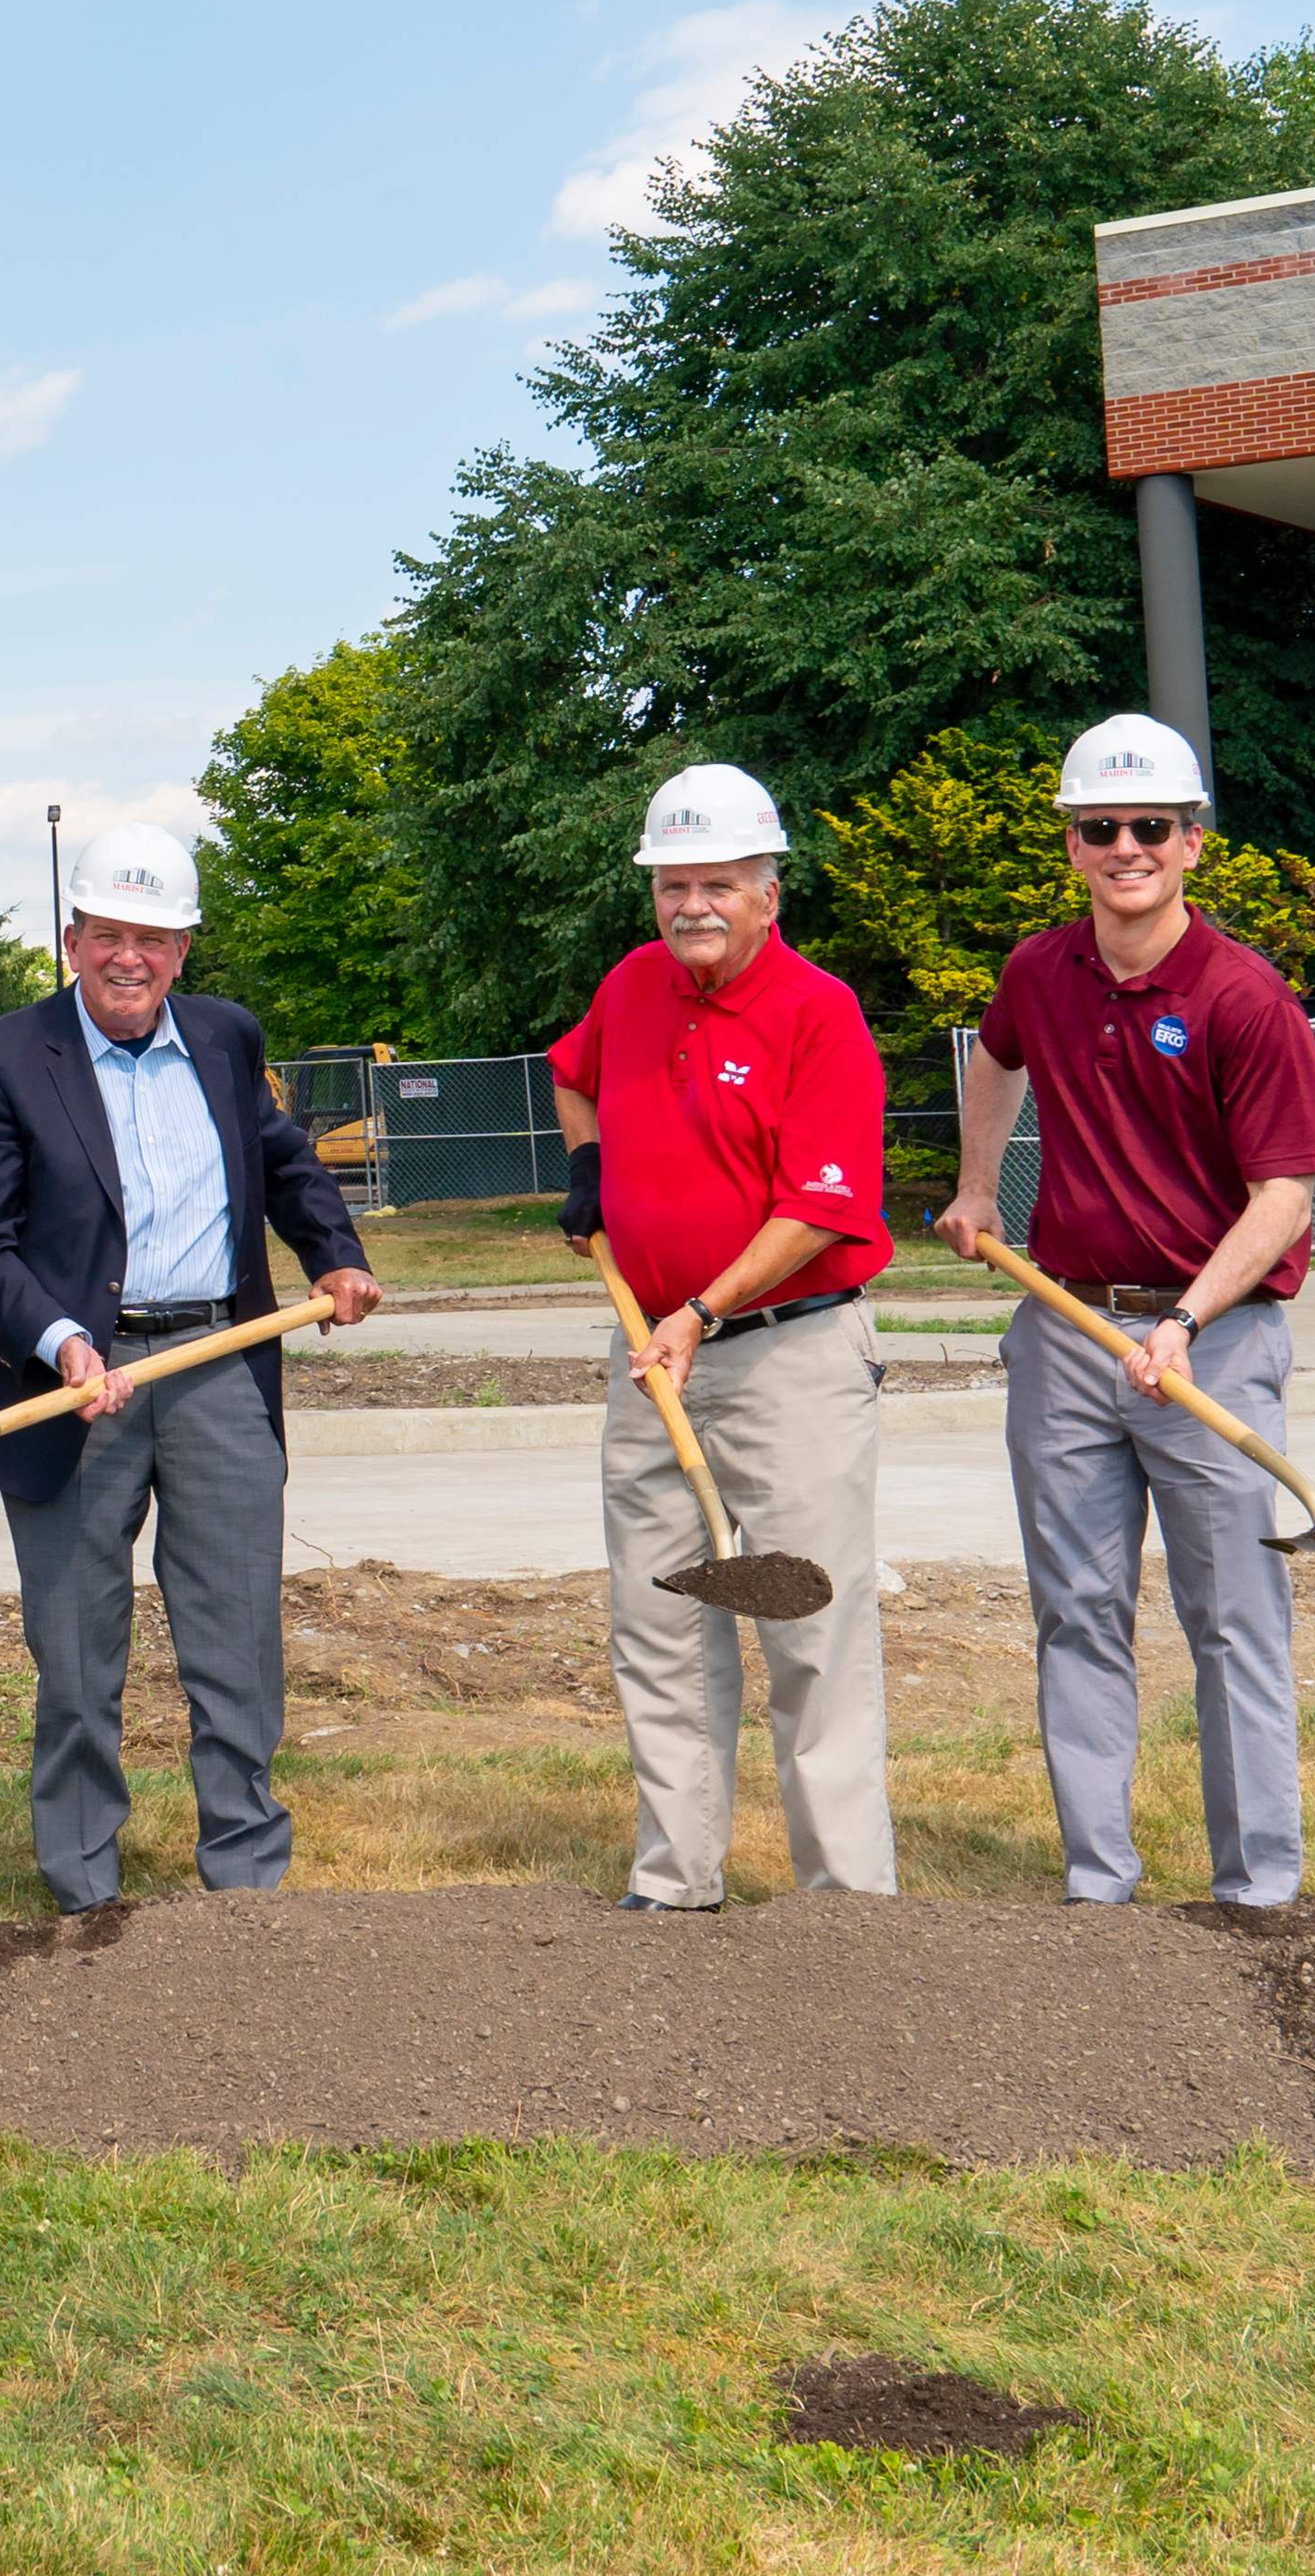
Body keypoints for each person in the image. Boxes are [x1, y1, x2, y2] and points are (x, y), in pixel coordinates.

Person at [0, 819, 379, 1908]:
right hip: (75, 1381)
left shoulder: (225, 1039)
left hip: (222, 1361)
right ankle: (84, 1885)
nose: (129, 956)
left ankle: (244, 1879)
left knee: (236, 1636)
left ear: (184, 950)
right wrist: (63, 1341)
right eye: (108, 933)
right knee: (78, 1648)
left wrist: (335, 1253)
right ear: (71, 936)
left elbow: (282, 1162)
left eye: (155, 937)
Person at [942, 709, 1315, 1909]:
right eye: (1100, 826)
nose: (1125, 846)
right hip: (1064, 1329)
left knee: (1230, 1620)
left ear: (1190, 842)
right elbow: (994, 1060)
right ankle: (1096, 1881)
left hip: (1210, 1340)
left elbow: (1284, 1194)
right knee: (1075, 1613)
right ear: (1071, 843)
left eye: (1148, 825)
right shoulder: (1035, 973)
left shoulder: (1240, 997)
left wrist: (1189, 1321)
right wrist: (974, 1187)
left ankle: (1256, 1889)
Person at [548, 762, 899, 1913]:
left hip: (785, 1351)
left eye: (715, 884)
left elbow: (820, 1205)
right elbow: (574, 1078)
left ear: (767, 890)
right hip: (651, 1356)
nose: (690, 905)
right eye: (671, 884)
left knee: (810, 1623)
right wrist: (590, 1166)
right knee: (656, 1618)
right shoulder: (634, 984)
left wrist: (701, 1311)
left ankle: (841, 1901)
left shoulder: (818, 1010)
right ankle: (674, 1879)